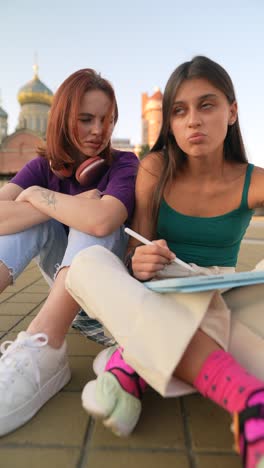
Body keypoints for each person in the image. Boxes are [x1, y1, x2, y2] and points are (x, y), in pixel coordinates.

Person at [66, 56, 264, 468]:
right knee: (87, 265)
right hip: (160, 292)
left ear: (232, 112)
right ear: (169, 123)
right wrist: (140, 261)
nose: (193, 120)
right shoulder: (156, 168)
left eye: (207, 105)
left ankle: (130, 364)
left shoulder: (254, 180)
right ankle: (245, 397)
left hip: (225, 299)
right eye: (180, 110)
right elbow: (134, 252)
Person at [0, 68, 139, 437]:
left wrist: (48, 201)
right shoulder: (40, 168)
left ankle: (44, 345)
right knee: (40, 217)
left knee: (90, 217)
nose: (99, 130)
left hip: (111, 313)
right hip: (72, 305)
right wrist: (48, 204)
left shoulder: (124, 164)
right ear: (63, 117)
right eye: (86, 119)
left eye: (107, 120)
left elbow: (101, 220)